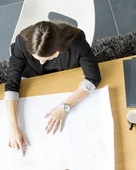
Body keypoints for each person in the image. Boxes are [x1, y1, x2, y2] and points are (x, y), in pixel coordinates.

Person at [5, 21, 101, 155]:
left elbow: (93, 78)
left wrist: (65, 106)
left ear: (58, 51)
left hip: (65, 78)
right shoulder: (22, 42)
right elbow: (11, 84)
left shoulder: (77, 42)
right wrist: (13, 126)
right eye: (36, 57)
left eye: (46, 58)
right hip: (33, 80)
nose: (41, 62)